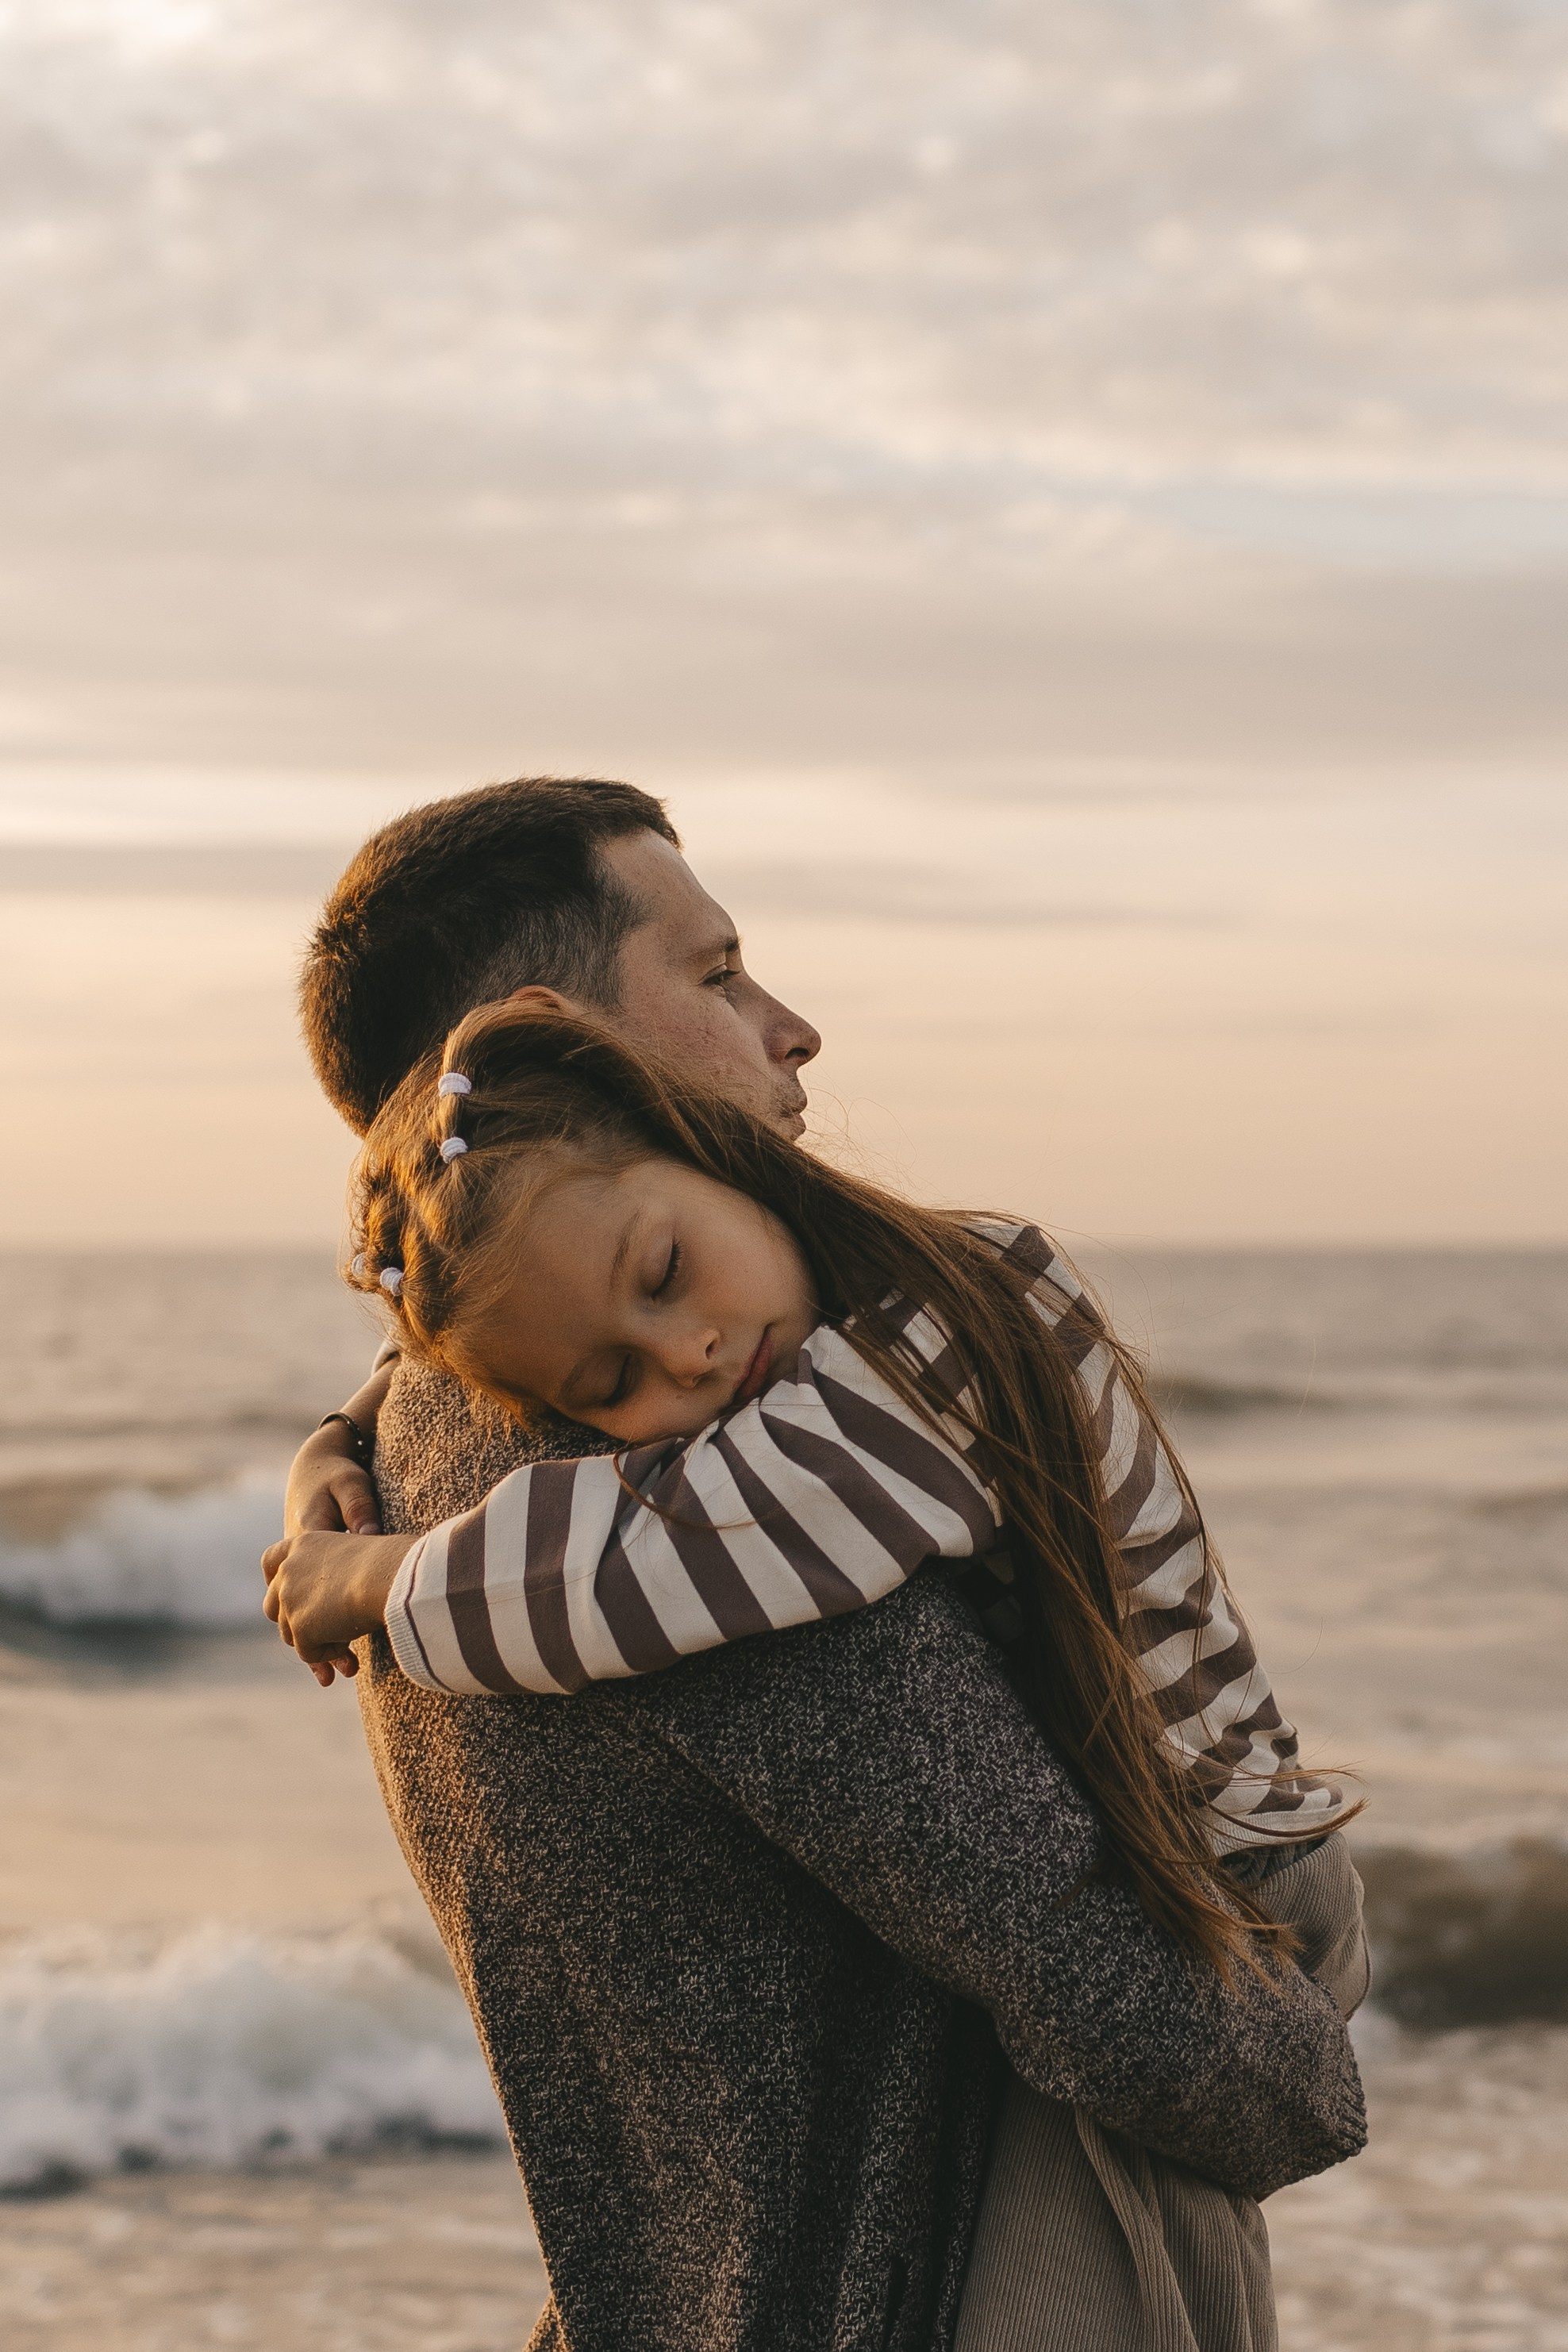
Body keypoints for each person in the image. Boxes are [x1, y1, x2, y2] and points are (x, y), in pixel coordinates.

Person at [278, 778, 1366, 2352]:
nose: (793, 1032)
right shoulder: (702, 1490)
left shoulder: (432, 1452)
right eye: (715, 976)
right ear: (551, 1031)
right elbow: (1145, 2014)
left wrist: (340, 1513)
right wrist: (1291, 2078)